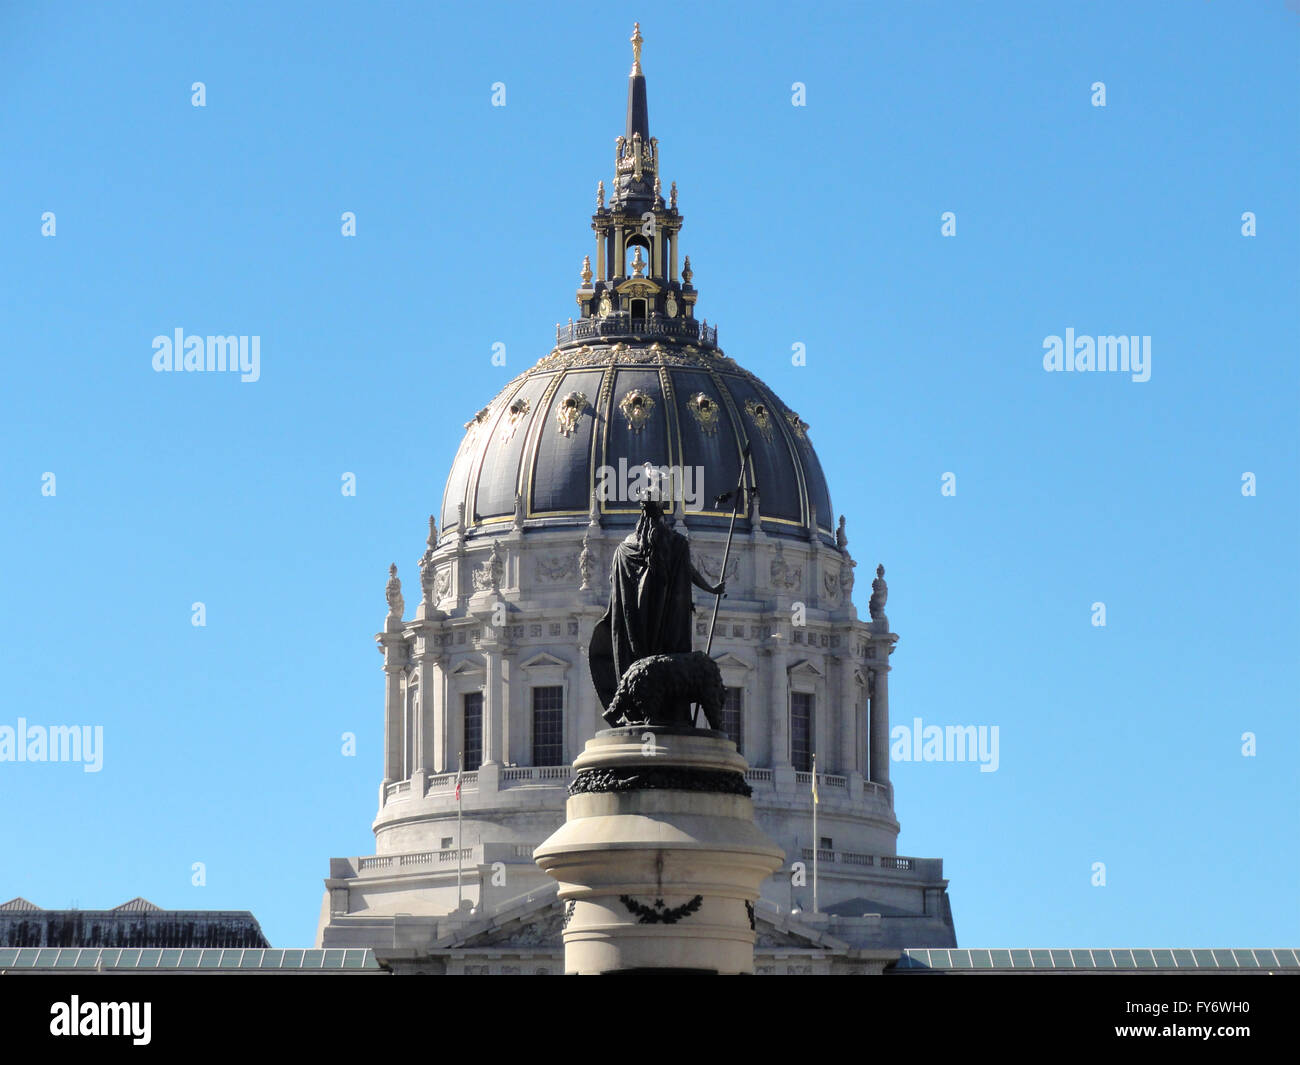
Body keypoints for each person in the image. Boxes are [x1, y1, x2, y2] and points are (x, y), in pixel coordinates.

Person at [589, 497, 724, 726]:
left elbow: (618, 598)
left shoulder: (624, 550)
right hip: (670, 637)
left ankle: (632, 708)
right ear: (662, 518)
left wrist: (711, 588)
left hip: (634, 635)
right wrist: (711, 589)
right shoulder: (675, 545)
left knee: (642, 668)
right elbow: (688, 572)